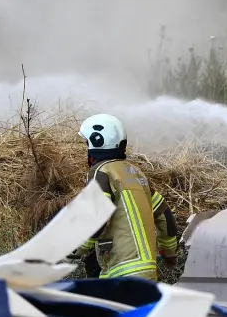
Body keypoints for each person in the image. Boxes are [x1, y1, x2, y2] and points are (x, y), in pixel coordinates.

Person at [74, 113, 179, 281]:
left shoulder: (101, 172)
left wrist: (75, 250)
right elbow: (165, 215)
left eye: (87, 143)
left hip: (121, 271)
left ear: (96, 142)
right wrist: (169, 252)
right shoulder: (136, 175)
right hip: (147, 270)